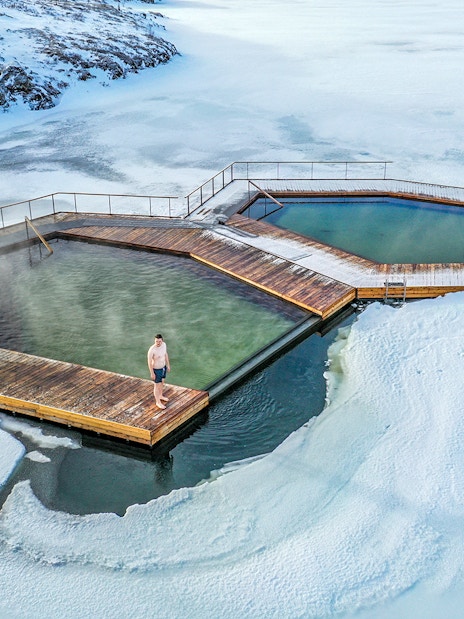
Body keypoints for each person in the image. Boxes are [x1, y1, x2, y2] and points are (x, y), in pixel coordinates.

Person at [147, 334, 170, 409]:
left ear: (162, 341)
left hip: (163, 367)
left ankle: (160, 395)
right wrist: (152, 373)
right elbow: (149, 362)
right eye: (156, 341)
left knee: (162, 382)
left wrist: (168, 365)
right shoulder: (152, 350)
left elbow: (165, 354)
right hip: (156, 369)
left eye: (159, 341)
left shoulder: (164, 345)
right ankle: (158, 402)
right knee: (157, 385)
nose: (158, 343)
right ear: (154, 341)